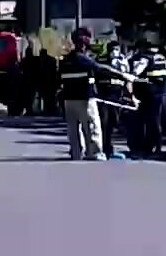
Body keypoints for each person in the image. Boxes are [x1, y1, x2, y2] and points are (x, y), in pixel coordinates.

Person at [59, 28, 135, 161]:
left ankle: (76, 152)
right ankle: (94, 152)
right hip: (84, 99)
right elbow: (101, 69)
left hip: (68, 99)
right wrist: (123, 75)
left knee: (73, 129)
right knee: (91, 125)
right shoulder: (82, 59)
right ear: (83, 43)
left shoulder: (65, 60)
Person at [129, 38, 166, 157]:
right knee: (155, 120)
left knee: (146, 121)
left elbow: (135, 73)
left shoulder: (145, 58)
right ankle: (157, 147)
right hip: (160, 93)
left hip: (148, 93)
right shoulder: (162, 58)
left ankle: (147, 147)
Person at [95, 41, 130, 158]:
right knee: (104, 122)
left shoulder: (123, 61)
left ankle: (108, 146)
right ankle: (104, 148)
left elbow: (127, 78)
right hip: (104, 94)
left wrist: (130, 94)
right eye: (113, 49)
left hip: (117, 95)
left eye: (117, 49)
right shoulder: (101, 59)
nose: (114, 51)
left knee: (113, 122)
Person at [38, 48, 59, 116]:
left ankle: (48, 110)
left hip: (46, 82)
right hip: (50, 82)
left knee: (47, 97)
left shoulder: (42, 62)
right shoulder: (51, 60)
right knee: (50, 97)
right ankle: (51, 110)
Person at [20, 45, 38, 115]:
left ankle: (29, 110)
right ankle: (29, 110)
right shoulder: (34, 60)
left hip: (27, 81)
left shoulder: (25, 60)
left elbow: (20, 68)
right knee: (30, 96)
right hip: (31, 81)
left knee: (28, 96)